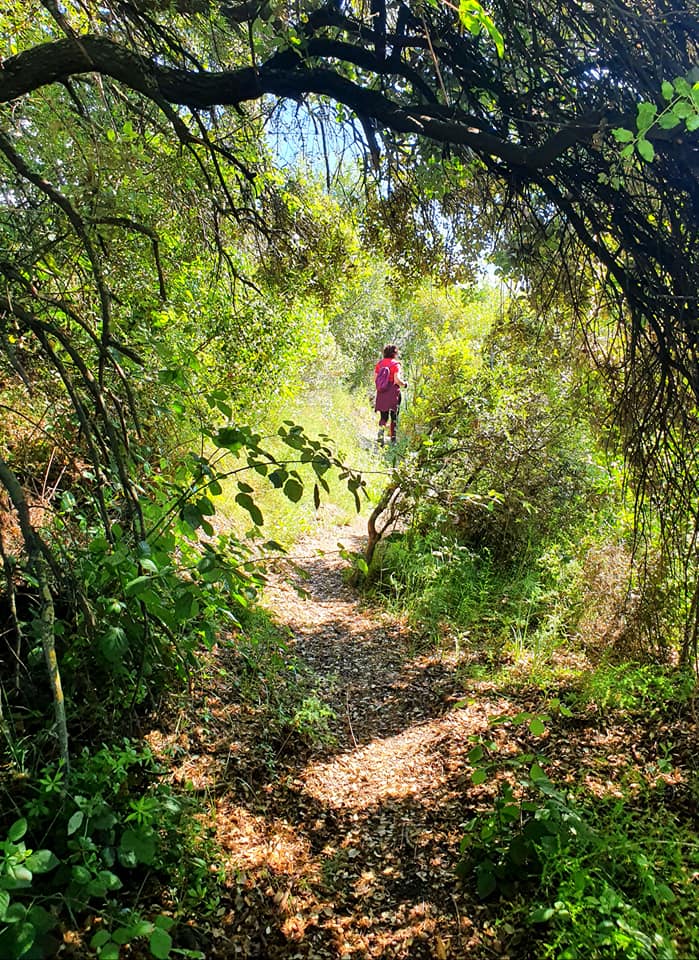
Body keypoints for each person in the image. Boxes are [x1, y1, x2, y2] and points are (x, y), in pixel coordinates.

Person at [374, 344, 407, 445]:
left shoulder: (380, 364)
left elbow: (375, 379)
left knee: (383, 416)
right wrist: (404, 384)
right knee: (394, 416)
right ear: (395, 353)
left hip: (382, 393)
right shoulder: (396, 364)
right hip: (393, 393)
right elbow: (397, 380)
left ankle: (381, 434)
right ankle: (393, 439)